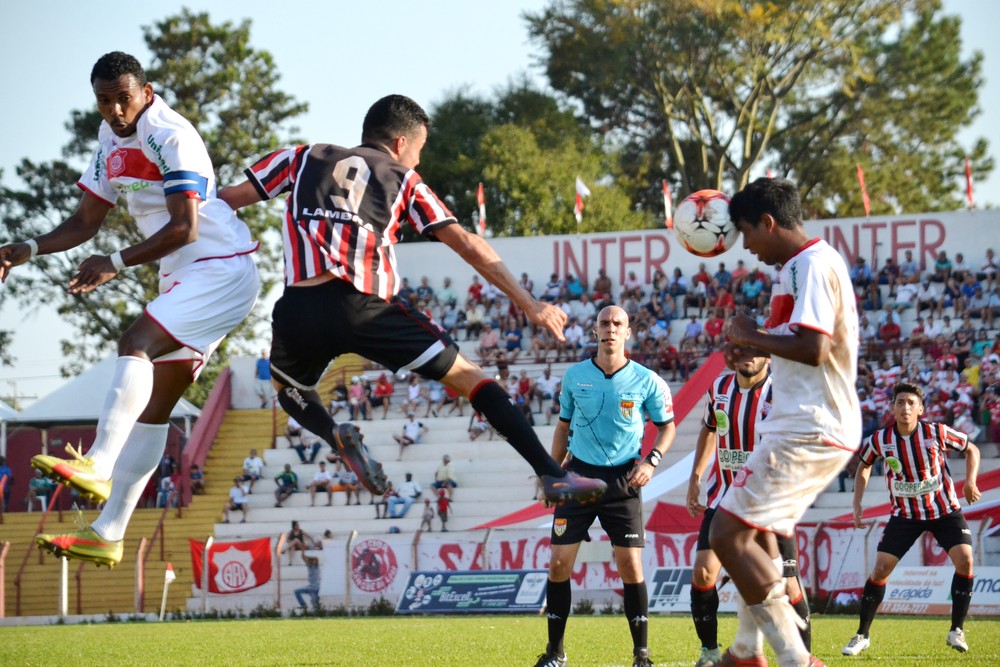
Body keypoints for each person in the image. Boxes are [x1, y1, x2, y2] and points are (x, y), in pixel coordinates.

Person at [217, 94, 605, 508]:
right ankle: (551, 473)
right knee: (472, 378)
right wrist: (530, 304)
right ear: (401, 143)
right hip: (366, 310)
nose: (418, 160)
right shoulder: (403, 178)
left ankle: (332, 433)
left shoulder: (301, 157)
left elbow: (225, 199)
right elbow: (467, 244)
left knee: (288, 387)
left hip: (299, 307)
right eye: (419, 150)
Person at [13, 52, 259, 568]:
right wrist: (26, 249)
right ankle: (109, 533)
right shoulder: (109, 139)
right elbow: (84, 222)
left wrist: (115, 263)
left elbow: (185, 228)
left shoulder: (171, 135)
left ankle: (99, 463)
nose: (115, 110)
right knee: (154, 406)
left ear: (146, 92)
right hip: (185, 276)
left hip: (219, 267)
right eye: (104, 101)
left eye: (123, 98)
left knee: (135, 342)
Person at [709, 178, 859, 667]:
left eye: (747, 233)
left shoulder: (812, 264)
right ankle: (745, 649)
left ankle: (795, 659)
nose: (746, 247)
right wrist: (752, 344)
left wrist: (752, 333)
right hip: (801, 421)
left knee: (725, 535)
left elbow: (815, 349)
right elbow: (794, 345)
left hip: (809, 425)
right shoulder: (795, 268)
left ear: (768, 223)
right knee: (753, 537)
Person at [534, 305, 675, 667]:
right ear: (595, 331)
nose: (610, 328)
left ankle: (641, 655)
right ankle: (555, 653)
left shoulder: (646, 379)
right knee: (558, 565)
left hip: (622, 481)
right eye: (604, 323)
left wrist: (651, 461)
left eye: (617, 323)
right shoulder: (574, 376)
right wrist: (549, 475)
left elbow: (667, 427)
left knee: (630, 566)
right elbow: (563, 428)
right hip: (577, 478)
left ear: (628, 332)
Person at [686, 355, 811, 667]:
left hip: (769, 503)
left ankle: (804, 657)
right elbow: (709, 429)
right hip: (724, 499)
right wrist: (696, 477)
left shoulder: (782, 394)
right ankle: (710, 652)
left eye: (756, 349)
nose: (748, 356)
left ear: (768, 356)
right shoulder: (719, 388)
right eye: (742, 349)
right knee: (703, 573)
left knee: (788, 584)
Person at [842, 382, 981, 657]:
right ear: (892, 408)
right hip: (905, 515)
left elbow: (972, 449)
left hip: (943, 510)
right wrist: (857, 501)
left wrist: (970, 482)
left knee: (965, 561)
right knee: (881, 569)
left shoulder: (936, 432)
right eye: (900, 402)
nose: (905, 407)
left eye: (910, 403)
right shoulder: (880, 440)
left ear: (920, 409)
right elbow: (864, 465)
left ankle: (956, 630)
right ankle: (862, 635)